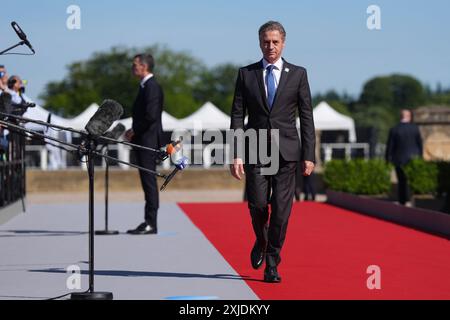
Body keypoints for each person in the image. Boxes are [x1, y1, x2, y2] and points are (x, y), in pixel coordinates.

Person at [230, 21, 315, 283]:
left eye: (275, 42)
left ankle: (271, 261)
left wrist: (309, 154)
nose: (271, 46)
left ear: (283, 43)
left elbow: (306, 115)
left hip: (287, 152)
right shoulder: (247, 74)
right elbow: (236, 114)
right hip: (255, 149)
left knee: (280, 211)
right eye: (266, 41)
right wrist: (236, 153)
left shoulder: (298, 74)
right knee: (256, 204)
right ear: (259, 43)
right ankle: (262, 240)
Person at [125, 53, 164, 235]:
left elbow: (151, 116)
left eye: (135, 65)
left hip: (148, 141)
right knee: (146, 182)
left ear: (144, 66)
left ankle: (151, 223)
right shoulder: (144, 86)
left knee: (149, 182)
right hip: (143, 140)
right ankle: (148, 221)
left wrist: (134, 131)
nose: (133, 68)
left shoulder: (152, 87)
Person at [385, 109, 423, 205]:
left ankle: (403, 201)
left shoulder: (394, 129)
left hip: (399, 159)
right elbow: (420, 144)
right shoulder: (415, 128)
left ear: (400, 117)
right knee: (412, 180)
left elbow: (390, 146)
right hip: (413, 158)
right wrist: (420, 157)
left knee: (402, 181)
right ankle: (412, 199)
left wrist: (387, 159)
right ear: (409, 117)